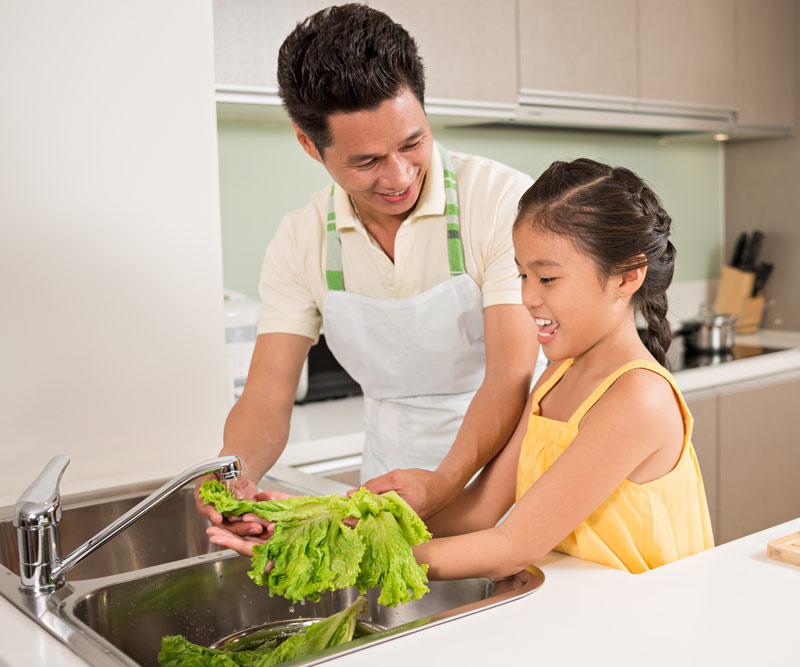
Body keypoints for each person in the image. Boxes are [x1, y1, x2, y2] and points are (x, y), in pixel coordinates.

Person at [209, 158, 715, 575]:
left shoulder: (637, 398)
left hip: (648, 632)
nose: (527, 298)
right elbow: (477, 511)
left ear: (627, 277)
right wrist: (318, 525)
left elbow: (510, 545)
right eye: (521, 275)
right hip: (583, 617)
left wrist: (342, 558)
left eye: (548, 279)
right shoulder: (556, 378)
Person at [197, 3, 547, 535]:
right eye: (367, 162)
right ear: (309, 144)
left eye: (413, 143)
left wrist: (442, 484)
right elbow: (267, 396)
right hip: (387, 483)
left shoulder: (501, 203)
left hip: (508, 477)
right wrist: (233, 475)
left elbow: (509, 373)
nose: (400, 175)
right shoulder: (301, 239)